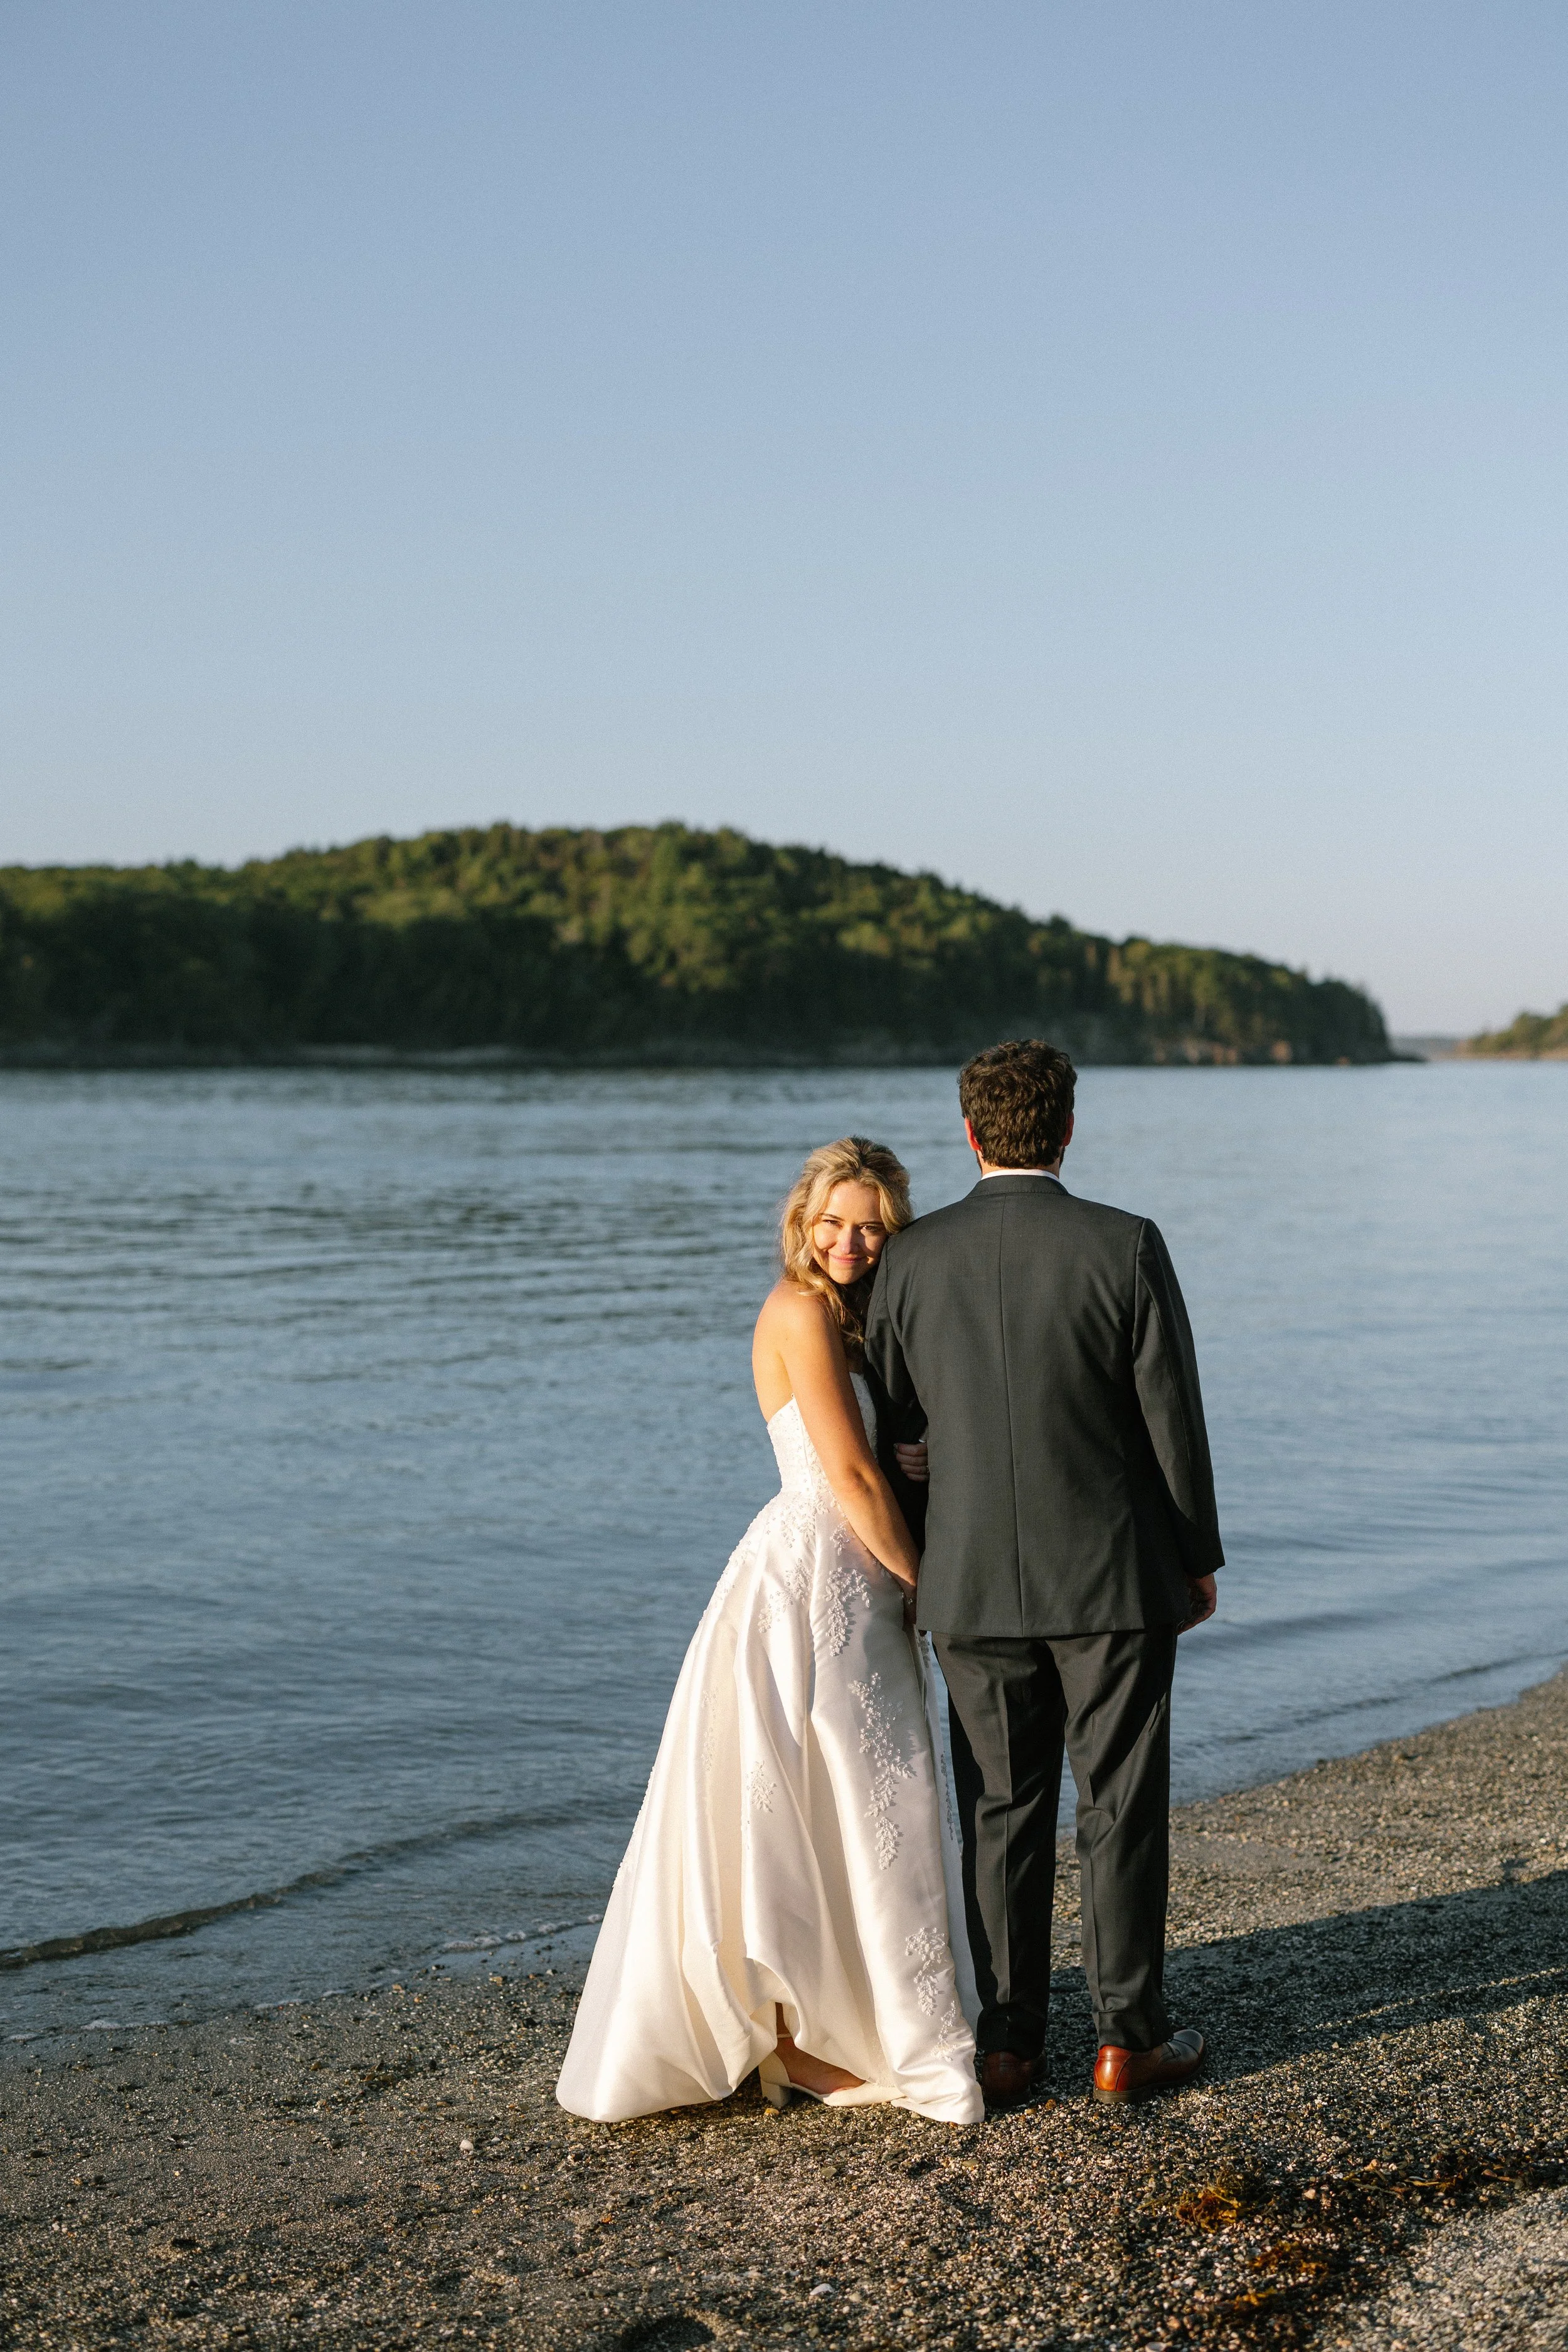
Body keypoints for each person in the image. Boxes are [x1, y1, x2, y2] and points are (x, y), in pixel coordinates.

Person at [556, 1138, 983, 2127]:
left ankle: (851, 2021)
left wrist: (919, 1461)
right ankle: (792, 2037)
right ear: (802, 1221)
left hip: (857, 1575)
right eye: (833, 1221)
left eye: (871, 1223)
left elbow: (886, 1458)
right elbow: (849, 1477)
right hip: (816, 1577)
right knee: (816, 1800)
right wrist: (930, 1582)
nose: (851, 1239)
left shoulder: (862, 1321)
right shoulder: (798, 1312)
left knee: (863, 1799)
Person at [865, 1040, 1222, 2111]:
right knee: (1120, 1804)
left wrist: (930, 1543)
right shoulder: (1125, 1244)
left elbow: (895, 1423)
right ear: (1067, 1129)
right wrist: (1195, 1556)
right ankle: (1127, 2040)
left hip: (967, 1583)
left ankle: (1011, 2043)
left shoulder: (911, 1260)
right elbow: (1173, 1419)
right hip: (1112, 1577)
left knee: (1000, 1809)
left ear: (971, 1133)